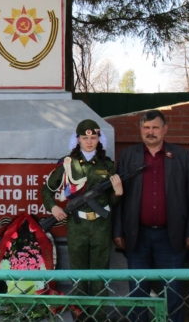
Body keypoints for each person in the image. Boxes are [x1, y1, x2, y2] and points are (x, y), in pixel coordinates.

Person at [112, 110, 189, 322]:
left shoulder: (181, 155)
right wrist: (118, 231)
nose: (150, 132)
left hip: (171, 237)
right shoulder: (128, 155)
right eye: (146, 128)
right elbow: (118, 197)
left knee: (172, 292)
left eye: (155, 128)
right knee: (137, 292)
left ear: (165, 130)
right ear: (140, 130)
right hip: (137, 237)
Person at [41, 119, 123, 302]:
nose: (89, 141)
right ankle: (79, 314)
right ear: (77, 139)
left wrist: (117, 194)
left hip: (101, 226)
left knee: (99, 277)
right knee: (78, 276)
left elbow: (110, 201)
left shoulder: (107, 165)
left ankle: (98, 316)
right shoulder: (68, 165)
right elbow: (47, 189)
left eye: (93, 137)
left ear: (98, 139)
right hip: (77, 226)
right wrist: (53, 207)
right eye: (85, 138)